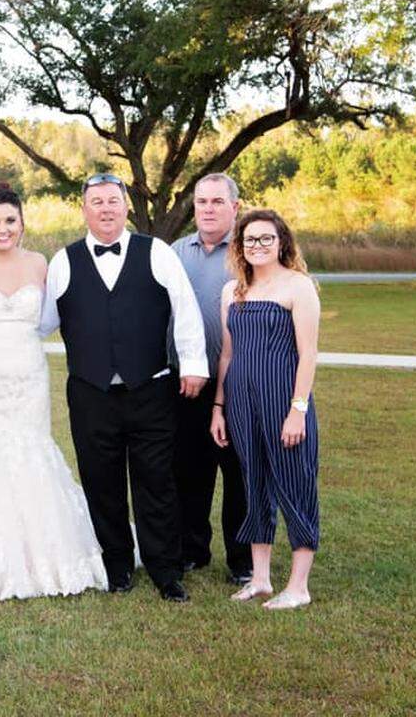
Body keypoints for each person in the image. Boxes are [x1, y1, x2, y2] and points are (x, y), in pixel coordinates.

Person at [40, 173, 208, 603]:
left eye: (113, 201)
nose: (106, 209)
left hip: (151, 390)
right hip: (90, 394)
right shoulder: (63, 261)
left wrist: (192, 365)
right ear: (84, 209)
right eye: (96, 202)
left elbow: (185, 309)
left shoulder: (157, 254)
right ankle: (116, 566)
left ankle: (166, 570)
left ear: (126, 206)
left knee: (157, 481)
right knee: (102, 482)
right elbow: (39, 324)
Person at [0, 182, 108, 603]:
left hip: (29, 375)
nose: (2, 229)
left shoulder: (40, 263)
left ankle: (44, 555)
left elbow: (53, 316)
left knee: (31, 451)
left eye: (10, 220)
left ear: (22, 222)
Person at [210, 209, 320, 610]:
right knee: (252, 486)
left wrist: (297, 410)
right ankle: (260, 579)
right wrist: (219, 407)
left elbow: (308, 354)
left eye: (265, 239)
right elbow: (226, 354)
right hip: (241, 403)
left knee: (295, 485)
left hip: (283, 401)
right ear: (239, 246)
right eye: (249, 239)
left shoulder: (298, 286)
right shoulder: (232, 291)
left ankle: (299, 586)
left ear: (281, 243)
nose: (257, 246)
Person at [169, 173, 253, 586]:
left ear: (235, 207)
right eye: (202, 201)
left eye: (218, 202)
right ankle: (191, 549)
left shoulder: (248, 252)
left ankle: (241, 559)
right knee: (189, 470)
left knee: (238, 472)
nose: (208, 209)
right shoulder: (175, 252)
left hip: (237, 383)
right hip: (186, 382)